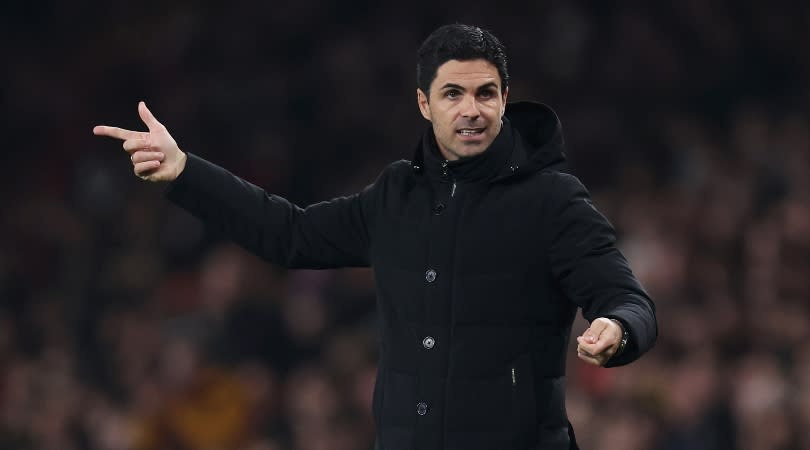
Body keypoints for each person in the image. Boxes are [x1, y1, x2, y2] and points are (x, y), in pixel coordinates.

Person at [94, 23, 657, 450]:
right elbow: (289, 233)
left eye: (486, 93)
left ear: (505, 99)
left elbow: (628, 299)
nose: (472, 110)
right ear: (423, 103)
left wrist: (619, 328)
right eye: (453, 94)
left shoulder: (552, 199)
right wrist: (186, 172)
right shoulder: (395, 196)